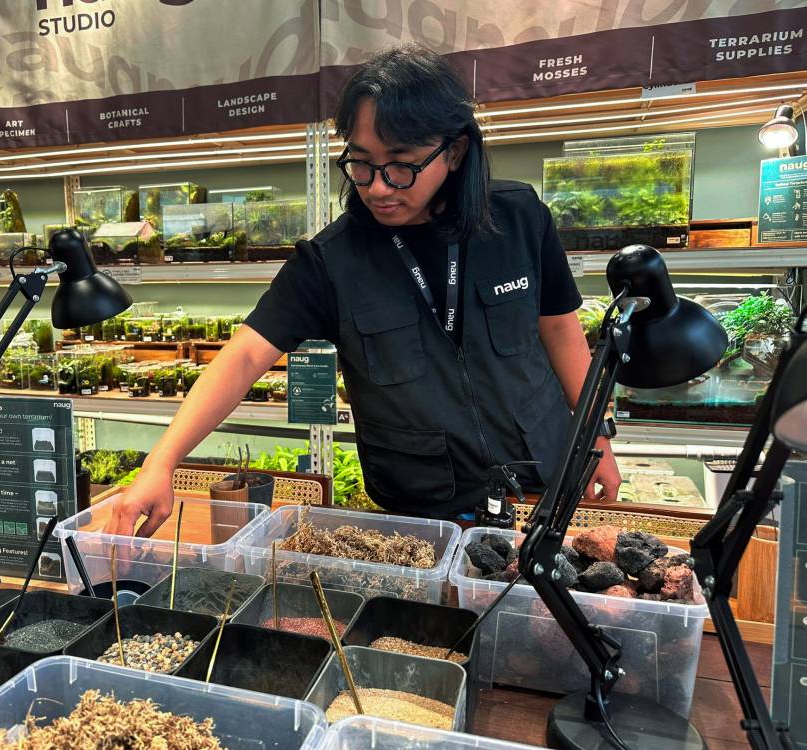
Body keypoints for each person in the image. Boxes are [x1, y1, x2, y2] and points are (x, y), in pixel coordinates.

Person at [104, 44, 621, 537]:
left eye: (401, 164)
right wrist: (161, 463)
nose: (376, 186)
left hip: (540, 484)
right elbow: (243, 356)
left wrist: (597, 436)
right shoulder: (330, 261)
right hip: (421, 510)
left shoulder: (519, 217)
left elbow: (560, 328)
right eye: (361, 161)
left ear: (455, 151)